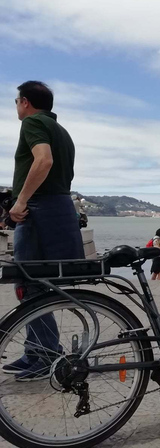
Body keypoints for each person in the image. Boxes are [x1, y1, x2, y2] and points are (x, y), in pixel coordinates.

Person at [6, 81, 83, 381]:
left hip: (38, 211)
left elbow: (44, 160)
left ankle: (46, 354)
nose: (16, 106)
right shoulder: (62, 132)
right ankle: (35, 351)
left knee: (28, 285)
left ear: (25, 102)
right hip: (61, 209)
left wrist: (20, 201)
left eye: (16, 101)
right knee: (38, 284)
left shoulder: (33, 123)